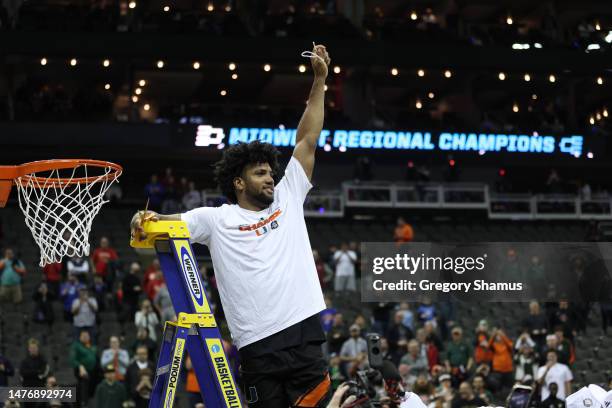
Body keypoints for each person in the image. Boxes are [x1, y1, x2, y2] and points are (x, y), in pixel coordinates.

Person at [131, 44, 332, 408]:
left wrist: (320, 80)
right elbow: (161, 225)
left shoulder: (289, 194)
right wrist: (142, 220)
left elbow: (306, 139)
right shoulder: (215, 218)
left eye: (270, 172)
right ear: (239, 183)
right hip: (256, 346)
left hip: (304, 336)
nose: (270, 178)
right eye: (260, 173)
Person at [70, 330, 98, 408]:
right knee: (84, 383)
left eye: (87, 336)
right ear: (80, 337)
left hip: (93, 371)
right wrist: (80, 366)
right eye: (83, 336)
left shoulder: (92, 346)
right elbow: (72, 360)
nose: (85, 337)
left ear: (89, 337)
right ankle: (83, 404)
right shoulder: (76, 346)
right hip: (81, 372)